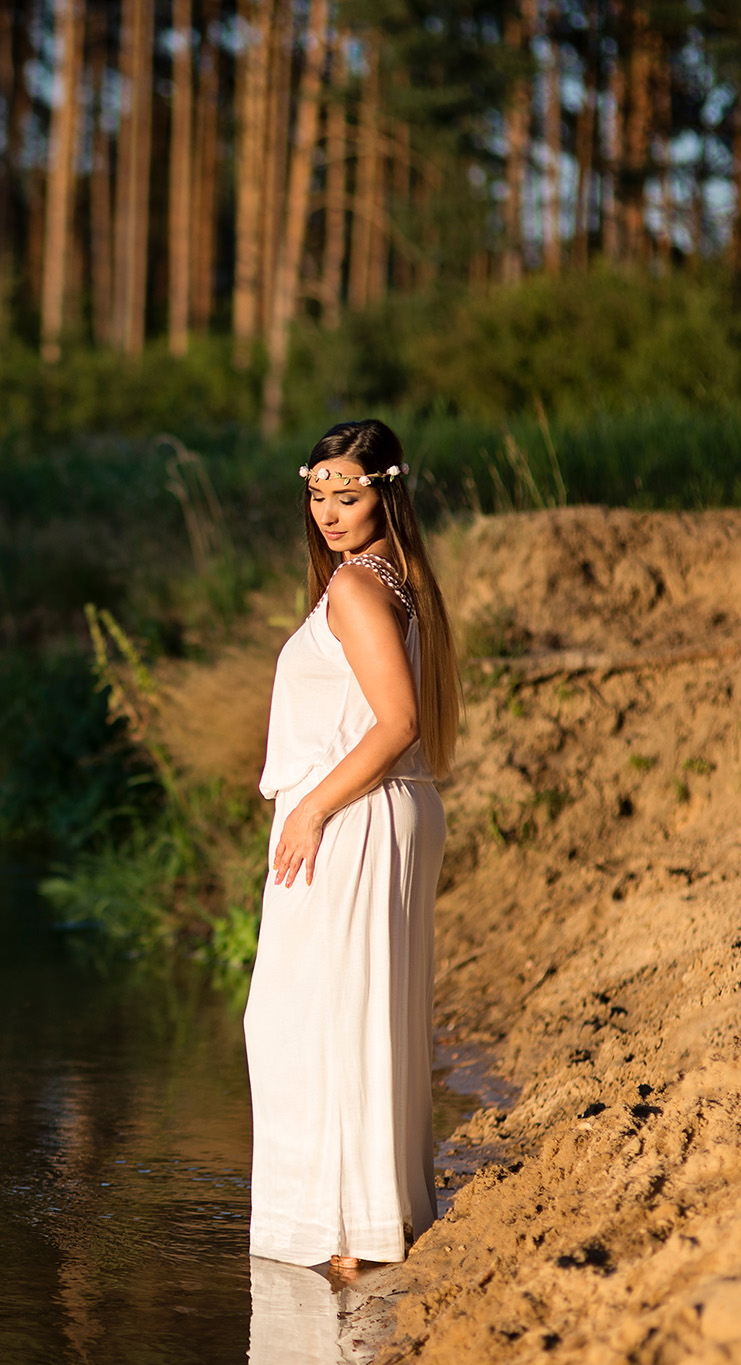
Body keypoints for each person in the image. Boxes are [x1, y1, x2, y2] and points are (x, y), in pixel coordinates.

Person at [245, 418, 460, 1274]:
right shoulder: (383, 578)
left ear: (387, 491)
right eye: (317, 494)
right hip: (377, 810)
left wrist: (310, 810)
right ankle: (370, 1223)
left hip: (354, 815)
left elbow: (397, 722)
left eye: (349, 493)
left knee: (307, 1021)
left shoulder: (359, 590)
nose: (329, 511)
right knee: (351, 1016)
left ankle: (344, 1240)